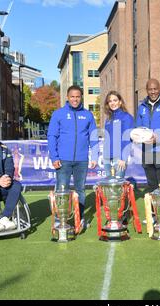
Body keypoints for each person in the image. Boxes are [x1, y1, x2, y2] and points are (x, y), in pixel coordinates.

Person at [47, 85, 99, 227]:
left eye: (78, 96)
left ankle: (79, 218)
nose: (75, 99)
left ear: (81, 97)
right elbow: (52, 136)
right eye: (72, 97)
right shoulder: (58, 114)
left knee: (80, 190)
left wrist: (94, 156)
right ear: (67, 98)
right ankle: (60, 220)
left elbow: (93, 137)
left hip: (82, 160)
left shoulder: (88, 115)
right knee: (61, 190)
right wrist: (54, 157)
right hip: (63, 160)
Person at [103, 91, 134, 178]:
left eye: (115, 100)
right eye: (110, 101)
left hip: (119, 158)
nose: (112, 103)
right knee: (109, 185)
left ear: (120, 102)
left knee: (118, 186)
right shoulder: (108, 119)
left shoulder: (127, 117)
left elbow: (127, 139)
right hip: (107, 158)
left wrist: (123, 158)